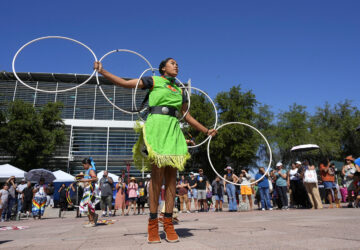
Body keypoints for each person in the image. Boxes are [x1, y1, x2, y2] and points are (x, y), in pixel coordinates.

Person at [94, 57, 216, 243]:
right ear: (162, 68)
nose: (176, 65)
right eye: (172, 63)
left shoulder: (180, 90)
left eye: (177, 63)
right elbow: (127, 84)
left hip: (174, 131)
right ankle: (152, 223)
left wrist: (206, 130)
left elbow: (186, 115)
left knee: (172, 180)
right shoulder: (153, 80)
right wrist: (103, 72)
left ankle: (168, 222)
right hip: (157, 128)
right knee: (157, 178)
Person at [79, 157, 99, 227]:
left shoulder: (90, 170)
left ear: (87, 164)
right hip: (87, 190)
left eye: (83, 165)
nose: (83, 166)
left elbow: (95, 178)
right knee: (86, 206)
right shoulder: (88, 170)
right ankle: (93, 217)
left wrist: (85, 180)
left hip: (89, 190)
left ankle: (92, 222)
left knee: (87, 206)